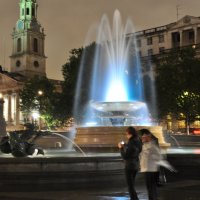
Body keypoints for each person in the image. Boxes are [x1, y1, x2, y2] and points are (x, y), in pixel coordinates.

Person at [118, 126, 142, 200]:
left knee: (130, 186)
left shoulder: (131, 142)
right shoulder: (138, 140)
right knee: (132, 184)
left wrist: (121, 148)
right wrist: (125, 145)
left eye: (126, 134)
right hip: (136, 165)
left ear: (129, 133)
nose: (126, 135)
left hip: (129, 166)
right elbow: (137, 149)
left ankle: (134, 199)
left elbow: (125, 156)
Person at [139, 128, 161, 200]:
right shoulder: (148, 142)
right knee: (151, 187)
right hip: (149, 168)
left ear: (147, 135)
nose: (141, 137)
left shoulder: (151, 144)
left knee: (150, 187)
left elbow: (156, 155)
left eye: (142, 136)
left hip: (149, 169)